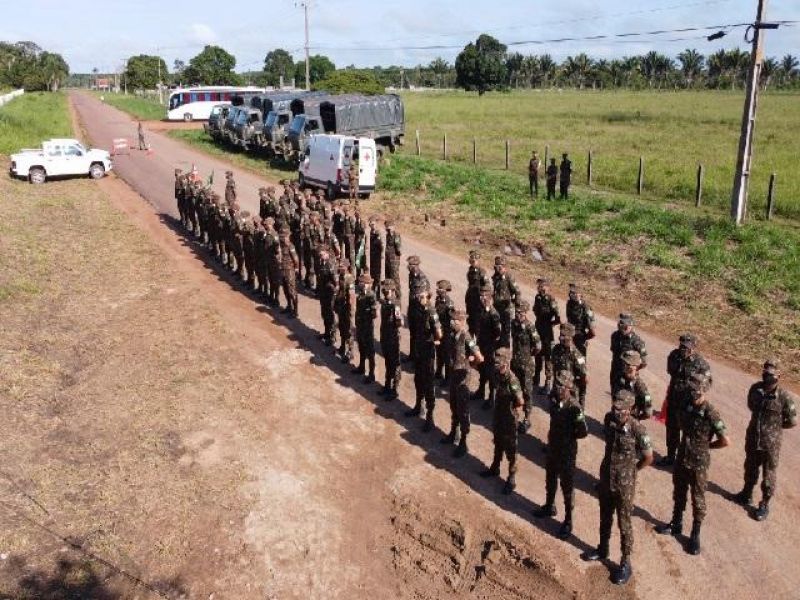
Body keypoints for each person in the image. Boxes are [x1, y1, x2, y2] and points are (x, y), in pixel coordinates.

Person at [583, 390, 653, 586]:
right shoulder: (609, 420)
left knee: (624, 523)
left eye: (621, 409)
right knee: (605, 516)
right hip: (606, 479)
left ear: (630, 409)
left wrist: (632, 471)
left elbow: (649, 457)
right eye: (615, 407)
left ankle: (625, 562)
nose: (617, 411)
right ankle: (602, 548)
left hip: (624, 485)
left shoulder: (638, 430)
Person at [656, 372, 729, 556]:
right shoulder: (686, 405)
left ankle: (695, 534)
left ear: (704, 390)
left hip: (699, 463)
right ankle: (676, 523)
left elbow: (725, 441)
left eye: (698, 390)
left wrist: (706, 447)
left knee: (698, 498)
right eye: (693, 389)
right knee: (679, 491)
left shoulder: (711, 414)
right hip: (682, 457)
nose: (694, 393)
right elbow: (679, 424)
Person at [733, 359, 797, 520]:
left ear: (778, 376)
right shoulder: (756, 389)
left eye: (770, 373)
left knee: (769, 475)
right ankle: (746, 494)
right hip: (753, 437)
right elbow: (751, 406)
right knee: (750, 467)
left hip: (771, 444)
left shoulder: (784, 397)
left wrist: (774, 430)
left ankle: (764, 504)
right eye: (764, 372)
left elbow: (792, 421)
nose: (766, 375)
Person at [534, 370, 589, 539]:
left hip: (567, 451)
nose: (558, 388)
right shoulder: (553, 397)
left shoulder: (574, 408)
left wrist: (568, 436)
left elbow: (583, 432)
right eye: (557, 384)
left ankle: (568, 520)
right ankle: (550, 506)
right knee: (550, 477)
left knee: (567, 486)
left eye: (561, 385)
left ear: (569, 387)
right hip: (553, 446)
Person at [660, 333, 710, 466]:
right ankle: (671, 456)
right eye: (682, 346)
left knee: (688, 432)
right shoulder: (674, 355)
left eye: (687, 347)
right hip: (673, 399)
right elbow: (671, 371)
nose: (683, 349)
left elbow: (707, 382)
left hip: (689, 404)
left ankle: (684, 460)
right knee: (671, 428)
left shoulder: (701, 363)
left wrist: (697, 393)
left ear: (694, 347)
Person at [480, 348, 524, 494]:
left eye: (499, 363)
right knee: (498, 441)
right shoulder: (497, 374)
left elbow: (520, 401)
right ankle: (495, 467)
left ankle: (511, 479)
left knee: (511, 449)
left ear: (506, 363)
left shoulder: (512, 380)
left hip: (509, 418)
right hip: (498, 414)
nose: (496, 365)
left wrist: (510, 410)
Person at [442, 309, 483, 458]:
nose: (453, 322)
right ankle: (454, 433)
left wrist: (471, 363)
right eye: (452, 320)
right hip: (454, 376)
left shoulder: (466, 337)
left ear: (463, 322)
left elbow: (480, 357)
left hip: (463, 380)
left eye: (456, 321)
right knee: (453, 405)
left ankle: (463, 443)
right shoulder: (453, 335)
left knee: (463, 410)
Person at [406, 288, 442, 432]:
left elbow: (439, 333)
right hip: (419, 351)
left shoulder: (431, 312)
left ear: (428, 297)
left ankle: (430, 417)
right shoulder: (418, 310)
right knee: (418, 379)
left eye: (422, 296)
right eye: (419, 296)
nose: (419, 298)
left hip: (428, 353)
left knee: (428, 384)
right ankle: (418, 406)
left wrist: (435, 342)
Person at [510, 300, 541, 434]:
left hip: (527, 365)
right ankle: (514, 413)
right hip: (515, 363)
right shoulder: (514, 324)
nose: (518, 314)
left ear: (525, 313)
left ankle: (527, 418)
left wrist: (529, 356)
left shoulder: (530, 327)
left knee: (527, 392)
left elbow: (538, 346)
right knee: (514, 388)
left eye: (521, 312)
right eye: (516, 312)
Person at [473, 284, 502, 410]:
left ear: (490, 297)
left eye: (485, 295)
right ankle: (480, 391)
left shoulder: (494, 314)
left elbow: (497, 333)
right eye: (481, 295)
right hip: (482, 344)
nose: (482, 297)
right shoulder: (481, 308)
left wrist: (491, 345)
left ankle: (491, 398)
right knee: (482, 369)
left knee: (491, 373)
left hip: (490, 347)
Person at [533, 278, 561, 393]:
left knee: (548, 358)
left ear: (547, 287)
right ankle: (536, 378)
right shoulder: (537, 297)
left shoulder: (551, 299)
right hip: (538, 329)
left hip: (547, 333)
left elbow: (558, 318)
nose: (540, 288)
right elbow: (535, 310)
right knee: (537, 353)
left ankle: (548, 383)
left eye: (542, 286)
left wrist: (550, 324)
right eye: (539, 286)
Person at [551, 323, 588, 408]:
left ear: (570, 337)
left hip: (570, 393)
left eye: (563, 335)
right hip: (557, 389)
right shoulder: (556, 349)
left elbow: (584, 378)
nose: (560, 337)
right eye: (560, 334)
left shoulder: (577, 355)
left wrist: (579, 395)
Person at [609, 313, 647, 393]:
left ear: (629, 325)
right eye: (619, 323)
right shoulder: (615, 336)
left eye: (622, 323)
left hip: (628, 378)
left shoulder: (637, 342)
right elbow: (614, 353)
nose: (619, 325)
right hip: (615, 373)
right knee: (615, 400)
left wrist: (632, 370)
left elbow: (644, 362)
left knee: (627, 400)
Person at [379, 280, 403, 400]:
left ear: (393, 291)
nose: (385, 292)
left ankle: (395, 389)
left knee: (395, 363)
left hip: (393, 338)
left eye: (387, 290)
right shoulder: (385, 303)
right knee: (387, 361)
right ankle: (387, 385)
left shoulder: (396, 304)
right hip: (385, 336)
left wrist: (398, 319)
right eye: (384, 290)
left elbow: (399, 323)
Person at [612, 350, 653, 420]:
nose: (625, 366)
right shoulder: (620, 376)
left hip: (630, 418)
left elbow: (648, 410)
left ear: (636, 367)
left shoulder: (639, 385)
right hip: (618, 413)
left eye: (628, 365)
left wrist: (639, 418)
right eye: (624, 363)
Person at [353, 273, 378, 383]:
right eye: (360, 282)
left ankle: (371, 374)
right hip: (360, 324)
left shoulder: (371, 295)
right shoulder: (360, 292)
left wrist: (368, 313)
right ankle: (362, 367)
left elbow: (374, 314)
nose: (360, 284)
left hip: (367, 326)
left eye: (362, 282)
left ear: (368, 284)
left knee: (370, 350)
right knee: (361, 346)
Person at [492, 256, 520, 348]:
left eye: (500, 267)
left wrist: (517, 306)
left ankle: (506, 350)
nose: (498, 268)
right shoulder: (495, 277)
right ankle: (499, 348)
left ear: (505, 267)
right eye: (496, 266)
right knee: (497, 328)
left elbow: (517, 291)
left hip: (507, 308)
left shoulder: (509, 277)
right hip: (497, 307)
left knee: (506, 331)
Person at [334, 259, 356, 362]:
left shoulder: (350, 279)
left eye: (342, 266)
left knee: (349, 330)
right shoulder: (341, 276)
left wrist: (350, 311)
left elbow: (351, 296)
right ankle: (342, 347)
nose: (340, 268)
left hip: (347, 309)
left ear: (346, 267)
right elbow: (339, 292)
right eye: (340, 266)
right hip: (341, 306)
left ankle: (350, 352)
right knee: (342, 327)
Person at [434, 280, 456, 381]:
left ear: (445, 291)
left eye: (440, 289)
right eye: (438, 289)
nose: (438, 291)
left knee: (447, 356)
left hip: (447, 333)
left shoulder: (449, 304)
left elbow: (453, 320)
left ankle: (448, 378)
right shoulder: (438, 300)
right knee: (439, 353)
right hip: (439, 331)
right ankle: (438, 372)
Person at [565, 283, 595, 357]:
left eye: (575, 292)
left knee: (580, 362)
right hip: (570, 335)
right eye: (571, 292)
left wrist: (583, 338)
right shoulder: (569, 304)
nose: (573, 294)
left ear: (580, 294)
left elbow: (592, 331)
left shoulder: (586, 307)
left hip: (580, 337)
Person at [465, 250, 488, 337]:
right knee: (470, 322)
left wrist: (483, 298)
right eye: (471, 260)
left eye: (474, 260)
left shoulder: (481, 271)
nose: (472, 262)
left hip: (478, 301)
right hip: (470, 299)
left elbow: (487, 285)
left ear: (478, 261)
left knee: (477, 323)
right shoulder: (470, 270)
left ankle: (478, 344)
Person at [278, 227, 300, 317]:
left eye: (284, 237)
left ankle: (295, 311)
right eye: (281, 237)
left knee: (292, 291)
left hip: (289, 270)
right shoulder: (281, 245)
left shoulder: (290, 246)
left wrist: (296, 268)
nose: (282, 238)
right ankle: (289, 306)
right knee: (285, 290)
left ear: (288, 236)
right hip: (283, 269)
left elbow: (296, 259)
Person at [384, 220, 402, 303]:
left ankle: (398, 296)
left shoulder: (396, 235)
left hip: (394, 260)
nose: (387, 229)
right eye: (387, 228)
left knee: (395, 278)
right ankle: (388, 295)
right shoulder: (388, 235)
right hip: (388, 259)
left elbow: (398, 249)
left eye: (389, 227)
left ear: (392, 227)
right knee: (388, 277)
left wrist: (397, 254)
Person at [368, 216, 383, 293]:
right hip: (372, 256)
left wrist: (381, 254)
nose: (371, 225)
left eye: (372, 224)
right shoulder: (371, 231)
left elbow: (381, 245)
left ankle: (378, 292)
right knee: (372, 273)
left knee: (377, 275)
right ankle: (373, 289)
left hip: (377, 256)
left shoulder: (378, 232)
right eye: (370, 224)